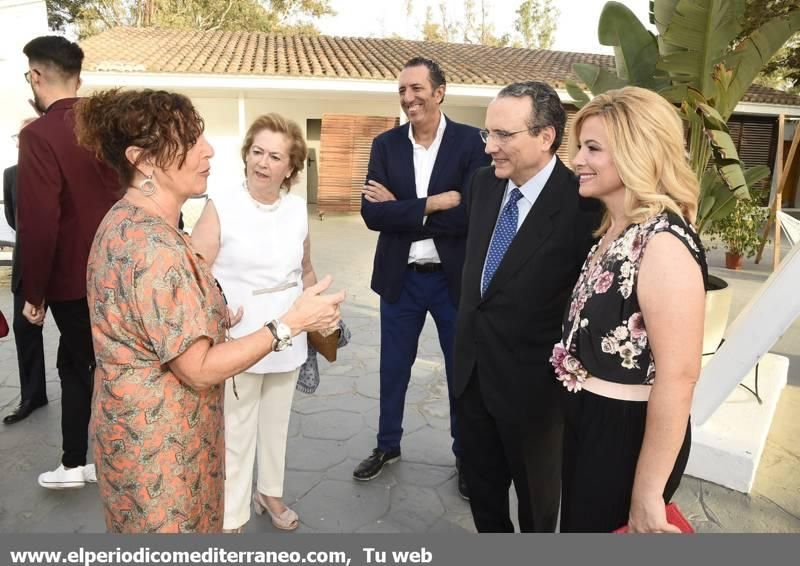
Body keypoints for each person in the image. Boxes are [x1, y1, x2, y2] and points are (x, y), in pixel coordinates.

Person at [76, 89, 344, 533]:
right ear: (143, 159)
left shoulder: (128, 222)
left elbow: (160, 317)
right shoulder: (154, 247)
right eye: (191, 140)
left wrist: (218, 316)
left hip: (146, 440)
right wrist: (289, 324)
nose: (210, 150)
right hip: (160, 455)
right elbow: (197, 369)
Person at [552, 86, 706, 533]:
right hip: (591, 424)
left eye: (593, 148)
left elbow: (679, 375)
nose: (578, 159)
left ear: (638, 152)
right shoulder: (615, 230)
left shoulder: (660, 242)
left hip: (625, 436)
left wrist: (647, 493)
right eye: (580, 146)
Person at [453, 81, 601, 532]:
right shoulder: (482, 185)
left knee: (537, 511)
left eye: (504, 136)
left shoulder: (582, 205)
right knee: (483, 497)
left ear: (545, 136)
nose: (490, 147)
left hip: (535, 397)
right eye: (487, 134)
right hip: (471, 377)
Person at [356, 57, 489, 496]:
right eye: (402, 91)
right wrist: (432, 204)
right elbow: (373, 215)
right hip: (401, 279)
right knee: (393, 369)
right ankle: (386, 446)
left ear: (439, 91)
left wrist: (404, 207)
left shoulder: (473, 143)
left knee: (459, 373)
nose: (408, 98)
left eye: (416, 88)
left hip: (452, 281)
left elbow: (472, 215)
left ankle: (468, 458)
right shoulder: (385, 145)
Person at [191, 113, 315, 532]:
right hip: (239, 337)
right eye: (257, 152)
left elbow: (306, 269)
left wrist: (320, 312)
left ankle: (270, 493)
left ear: (291, 168)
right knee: (237, 427)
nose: (263, 162)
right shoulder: (220, 205)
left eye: (275, 156)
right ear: (246, 156)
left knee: (276, 423)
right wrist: (216, 311)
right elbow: (193, 275)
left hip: (289, 334)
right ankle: (232, 514)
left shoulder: (297, 209)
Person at [16, 36, 120, 488]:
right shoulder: (107, 127)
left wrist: (33, 294)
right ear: (79, 75)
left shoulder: (39, 135)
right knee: (75, 365)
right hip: (117, 269)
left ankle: (118, 459)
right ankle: (75, 461)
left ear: (37, 76)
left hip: (73, 281)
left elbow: (40, 222)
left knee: (102, 368)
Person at [3, 117, 49, 425]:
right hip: (26, 264)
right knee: (24, 331)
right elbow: (12, 218)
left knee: (78, 338)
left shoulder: (62, 171)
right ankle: (33, 395)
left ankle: (89, 399)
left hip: (65, 266)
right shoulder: (10, 175)